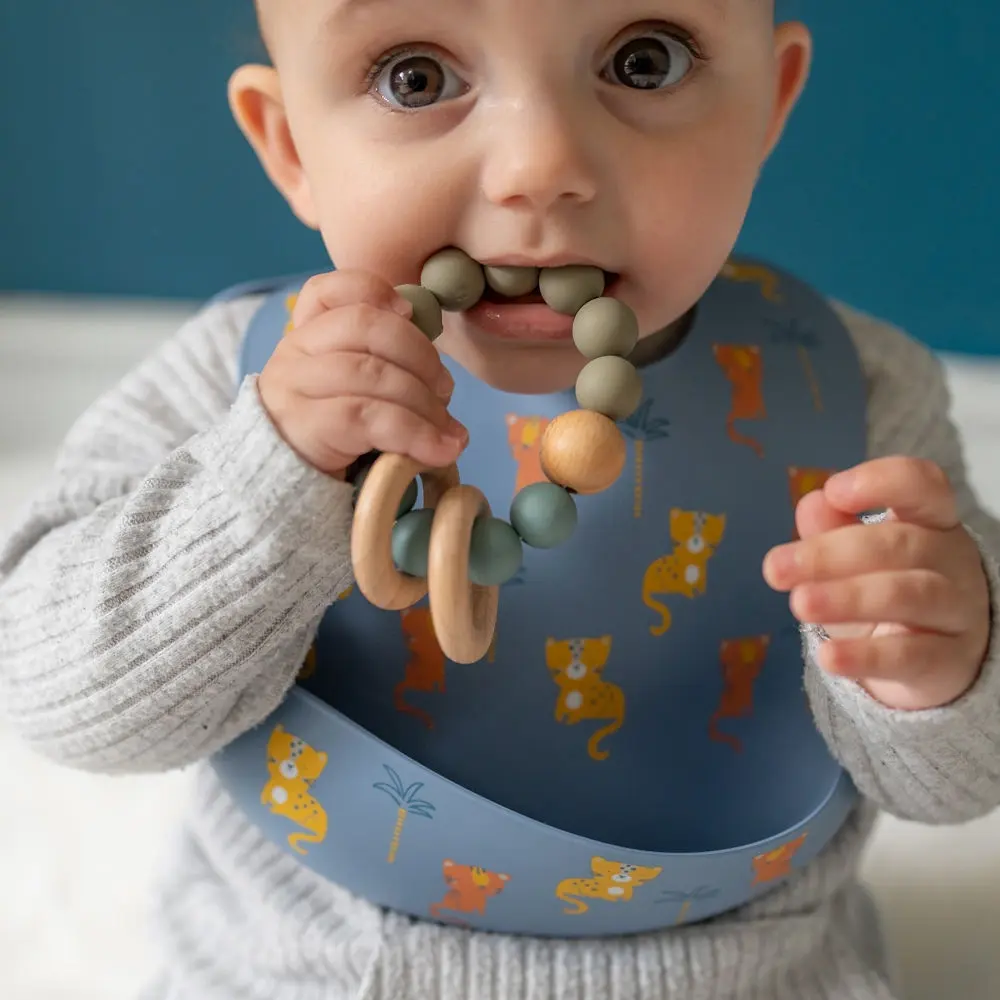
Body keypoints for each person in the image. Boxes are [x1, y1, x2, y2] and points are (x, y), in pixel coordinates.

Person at [2, 1, 999, 997]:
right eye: (416, 77)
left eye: (641, 62)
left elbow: (961, 779)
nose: (540, 164)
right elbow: (54, 696)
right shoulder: (238, 387)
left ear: (768, 104)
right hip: (310, 969)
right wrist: (270, 475)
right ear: (290, 143)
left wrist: (943, 664)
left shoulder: (853, 395)